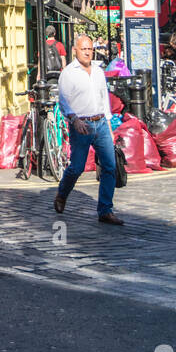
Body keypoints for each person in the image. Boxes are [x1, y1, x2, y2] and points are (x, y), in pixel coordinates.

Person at [54, 34, 123, 225]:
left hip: (100, 123)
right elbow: (63, 101)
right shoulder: (68, 73)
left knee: (109, 166)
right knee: (77, 167)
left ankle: (105, 210)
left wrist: (109, 126)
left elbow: (104, 100)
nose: (87, 52)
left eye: (90, 49)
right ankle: (62, 194)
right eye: (83, 48)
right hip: (81, 125)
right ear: (75, 50)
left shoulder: (99, 71)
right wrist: (74, 120)